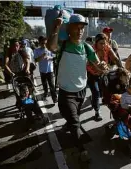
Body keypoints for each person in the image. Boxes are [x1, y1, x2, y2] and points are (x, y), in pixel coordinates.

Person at [47, 14, 108, 162]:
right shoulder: (63, 44)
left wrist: (102, 67)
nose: (80, 31)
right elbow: (51, 46)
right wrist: (56, 26)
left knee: (74, 119)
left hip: (81, 90)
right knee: (75, 123)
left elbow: (97, 64)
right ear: (68, 29)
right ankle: (81, 151)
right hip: (66, 92)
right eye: (76, 27)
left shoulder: (86, 47)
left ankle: (69, 125)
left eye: (82, 28)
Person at [87, 33, 122, 121]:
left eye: (104, 43)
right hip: (92, 73)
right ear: (96, 43)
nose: (103, 45)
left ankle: (95, 100)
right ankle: (97, 112)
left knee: (105, 93)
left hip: (103, 73)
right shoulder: (92, 49)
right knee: (96, 92)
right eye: (101, 43)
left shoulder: (107, 47)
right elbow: (93, 64)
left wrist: (122, 69)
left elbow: (115, 58)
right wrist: (101, 71)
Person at [5, 38, 30, 106]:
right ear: (11, 46)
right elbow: (6, 64)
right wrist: (10, 72)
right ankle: (19, 102)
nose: (15, 47)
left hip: (23, 73)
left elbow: (27, 62)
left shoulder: (22, 51)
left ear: (19, 46)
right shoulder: (9, 53)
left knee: (27, 89)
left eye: (17, 46)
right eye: (14, 46)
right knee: (16, 91)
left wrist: (27, 69)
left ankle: (29, 101)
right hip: (14, 74)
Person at [34, 36, 58, 103]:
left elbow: (55, 57)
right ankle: (45, 93)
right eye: (42, 43)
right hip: (42, 71)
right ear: (39, 43)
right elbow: (36, 60)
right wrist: (42, 56)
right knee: (44, 84)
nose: (44, 45)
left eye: (45, 43)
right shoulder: (37, 50)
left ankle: (54, 98)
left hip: (50, 70)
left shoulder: (49, 49)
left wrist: (50, 57)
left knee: (52, 85)